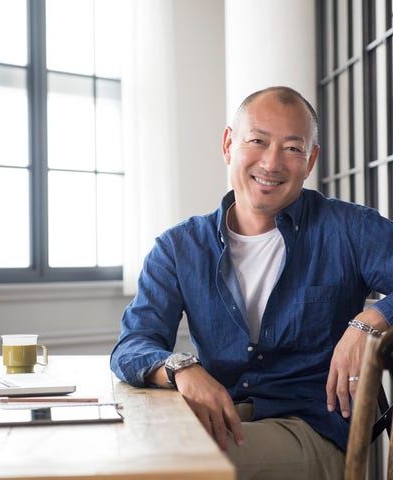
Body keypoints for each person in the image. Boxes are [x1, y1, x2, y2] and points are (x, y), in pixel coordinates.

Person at [110, 86, 393, 479]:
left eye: (293, 148)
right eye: (257, 141)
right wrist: (183, 368)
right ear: (229, 144)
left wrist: (369, 322)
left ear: (310, 161)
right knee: (129, 449)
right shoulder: (179, 247)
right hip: (220, 416)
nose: (272, 162)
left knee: (175, 465)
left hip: (310, 429)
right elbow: (131, 346)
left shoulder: (350, 229)